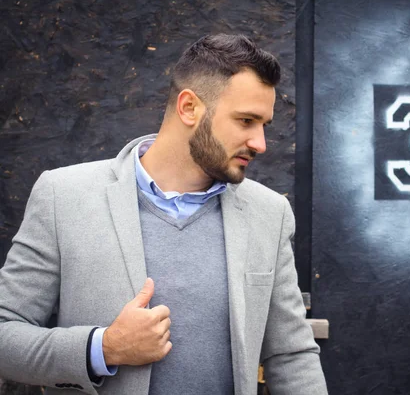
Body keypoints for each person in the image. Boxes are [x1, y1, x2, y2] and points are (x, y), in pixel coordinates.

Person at [0, 34, 328, 395]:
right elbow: (5, 331)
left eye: (264, 124)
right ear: (189, 107)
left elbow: (292, 355)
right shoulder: (64, 196)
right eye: (246, 121)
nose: (260, 143)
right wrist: (102, 348)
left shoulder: (270, 213)